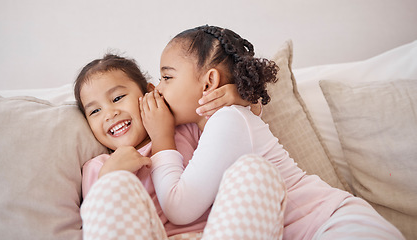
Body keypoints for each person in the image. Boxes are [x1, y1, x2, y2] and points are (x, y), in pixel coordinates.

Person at [140, 25, 405, 239]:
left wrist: (161, 138)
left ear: (209, 81)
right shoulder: (228, 118)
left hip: (336, 225)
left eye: (167, 77)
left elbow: (179, 208)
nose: (158, 89)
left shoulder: (228, 119)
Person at [75, 54, 286, 239]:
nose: (109, 114)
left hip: (218, 232)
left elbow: (236, 124)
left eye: (118, 98)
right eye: (95, 111)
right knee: (111, 186)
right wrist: (110, 175)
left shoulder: (187, 130)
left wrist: (236, 96)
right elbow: (99, 226)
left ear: (151, 92)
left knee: (255, 171)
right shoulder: (98, 168)